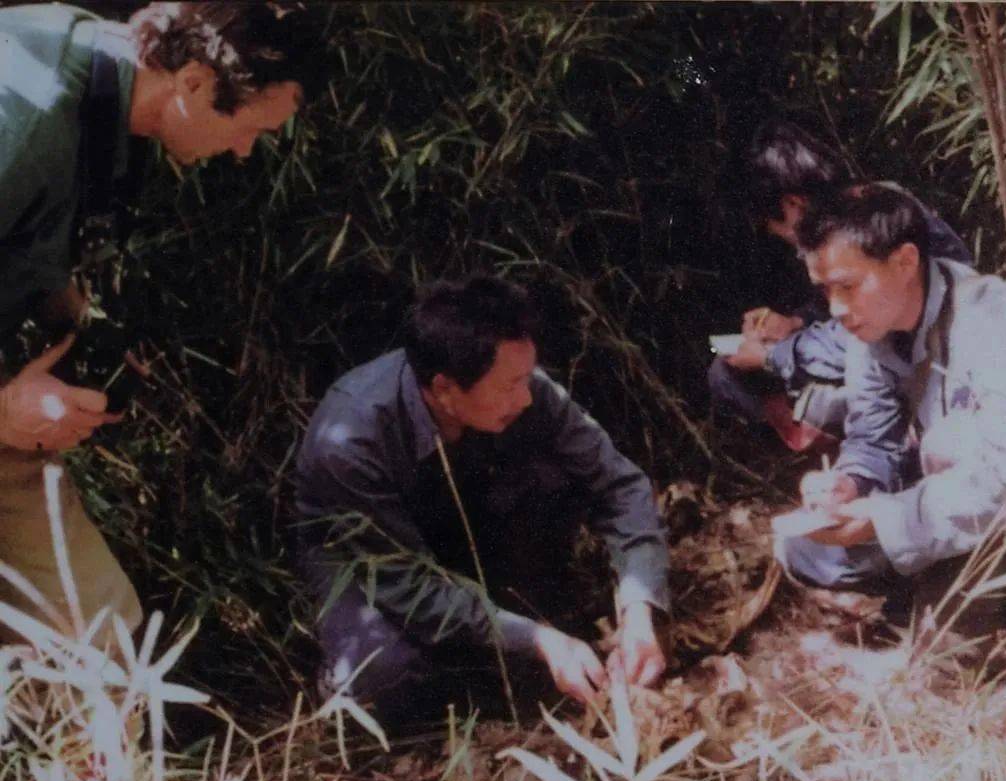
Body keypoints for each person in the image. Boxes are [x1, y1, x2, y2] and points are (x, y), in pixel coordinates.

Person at [0, 2, 321, 645]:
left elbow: (30, 236)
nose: (243, 152)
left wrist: (78, 322)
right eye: (249, 128)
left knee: (100, 650)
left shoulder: (114, 101)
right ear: (195, 82)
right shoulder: (27, 110)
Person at [295, 276, 670, 718]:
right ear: (444, 390)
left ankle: (522, 614)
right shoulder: (349, 443)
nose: (527, 398)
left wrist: (638, 607)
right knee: (385, 675)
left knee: (555, 479)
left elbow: (620, 485)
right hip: (369, 558)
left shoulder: (521, 387)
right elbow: (410, 586)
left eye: (528, 377)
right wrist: (538, 639)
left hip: (461, 518)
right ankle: (344, 678)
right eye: (510, 386)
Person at [777, 184, 1006, 604]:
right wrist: (849, 483)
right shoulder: (872, 327)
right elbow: (872, 435)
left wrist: (886, 518)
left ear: (906, 261)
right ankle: (934, 581)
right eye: (825, 291)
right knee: (802, 549)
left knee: (949, 443)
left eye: (847, 286)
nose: (835, 309)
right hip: (946, 500)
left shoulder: (993, 320)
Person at [710, 122, 972, 451]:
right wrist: (795, 322)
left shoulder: (871, 217)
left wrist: (771, 356)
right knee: (724, 373)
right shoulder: (835, 225)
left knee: (827, 399)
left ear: (793, 204)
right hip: (879, 353)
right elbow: (839, 313)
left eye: (773, 224)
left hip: (927, 362)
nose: (778, 235)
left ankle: (894, 445)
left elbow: (865, 332)